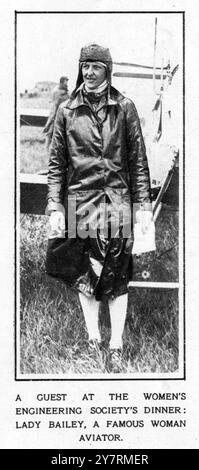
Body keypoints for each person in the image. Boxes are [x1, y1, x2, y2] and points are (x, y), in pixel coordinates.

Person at [46, 43, 154, 372]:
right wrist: (55, 204)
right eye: (85, 66)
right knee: (85, 275)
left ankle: (116, 343)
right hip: (81, 201)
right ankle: (93, 338)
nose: (90, 72)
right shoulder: (67, 110)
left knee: (117, 275)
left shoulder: (125, 107)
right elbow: (56, 165)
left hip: (117, 201)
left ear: (108, 69)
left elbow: (138, 164)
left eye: (96, 66)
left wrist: (143, 210)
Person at [43, 76, 69, 150]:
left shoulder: (66, 92)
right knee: (50, 133)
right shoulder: (56, 92)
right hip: (56, 115)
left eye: (67, 82)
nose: (67, 84)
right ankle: (46, 150)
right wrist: (49, 122)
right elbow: (54, 107)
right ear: (61, 82)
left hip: (64, 115)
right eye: (65, 82)